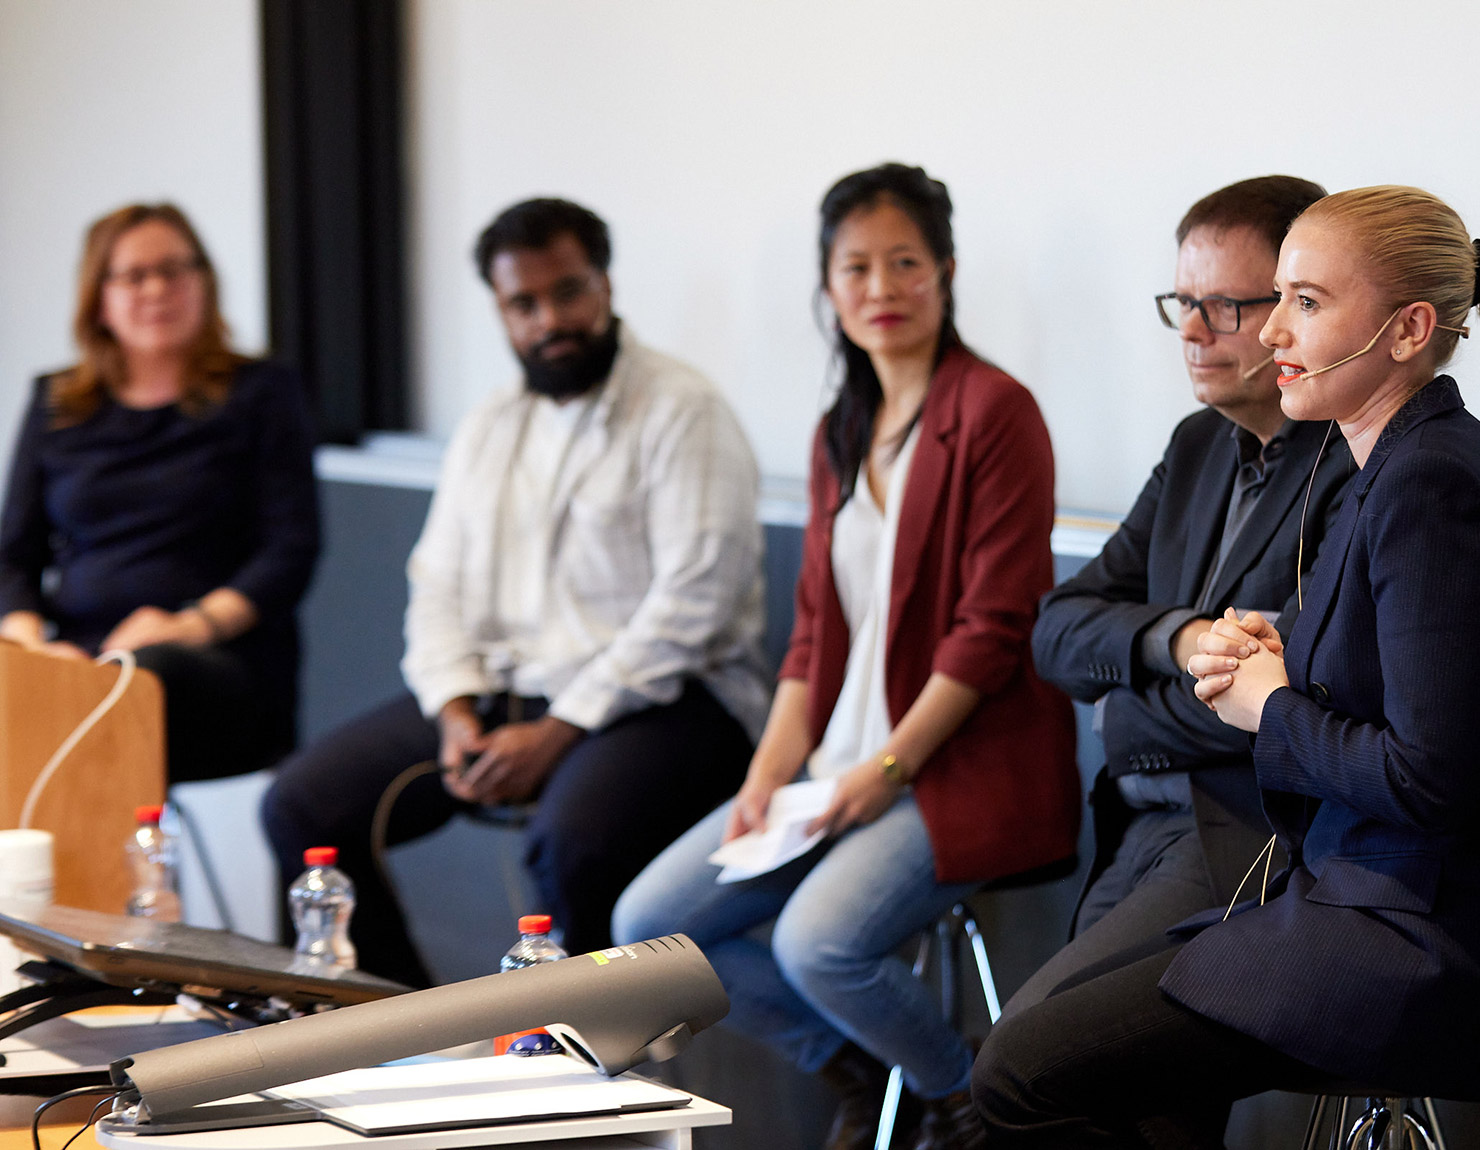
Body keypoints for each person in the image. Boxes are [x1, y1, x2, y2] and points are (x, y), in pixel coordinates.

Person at [973, 186, 1480, 1148]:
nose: (1273, 332)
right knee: (1088, 1071)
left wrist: (1271, 701)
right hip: (1341, 896)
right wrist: (1280, 667)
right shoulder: (1394, 466)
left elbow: (1429, 780)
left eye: (1304, 301)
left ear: (1408, 329)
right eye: (1282, 297)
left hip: (1417, 930)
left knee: (1019, 1071)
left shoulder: (1430, 485)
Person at [612, 163, 1078, 1150]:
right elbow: (814, 632)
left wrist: (887, 767)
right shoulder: (840, 429)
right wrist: (766, 774)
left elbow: (992, 628)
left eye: (904, 262)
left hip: (950, 770)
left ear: (945, 272)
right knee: (647, 929)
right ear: (826, 288)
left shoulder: (995, 411)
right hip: (838, 771)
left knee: (816, 944)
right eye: (855, 267)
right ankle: (869, 1070)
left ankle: (969, 1103)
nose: (880, 288)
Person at [262, 197, 767, 989]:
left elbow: (693, 607)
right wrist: (454, 708)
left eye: (568, 292)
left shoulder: (683, 409)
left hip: (673, 704)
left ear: (604, 284)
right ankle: (397, 1031)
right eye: (523, 304)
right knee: (303, 803)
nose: (549, 321)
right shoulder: (491, 424)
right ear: (500, 310)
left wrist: (564, 728)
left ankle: (594, 1069)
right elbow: (437, 584)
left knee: (575, 839)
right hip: (505, 697)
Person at [1009, 176, 1354, 1018]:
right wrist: (1175, 641)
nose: (1193, 333)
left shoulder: (1348, 464)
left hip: (1247, 834)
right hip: (1135, 821)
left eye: (1226, 307)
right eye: (1182, 302)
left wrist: (1119, 714)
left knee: (1031, 1059)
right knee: (1082, 1089)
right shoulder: (1200, 442)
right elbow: (1057, 628)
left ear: (1291, 309)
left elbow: (1286, 704)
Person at [0, 204, 319, 784]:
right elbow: (12, 556)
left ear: (204, 282)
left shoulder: (262, 393)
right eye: (134, 275)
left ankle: (115, 874)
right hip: (76, 659)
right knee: (39, 692)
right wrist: (32, 651)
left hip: (213, 659)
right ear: (99, 296)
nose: (158, 289)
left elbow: (289, 550)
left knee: (133, 681)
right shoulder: (55, 403)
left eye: (176, 270)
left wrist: (190, 625)